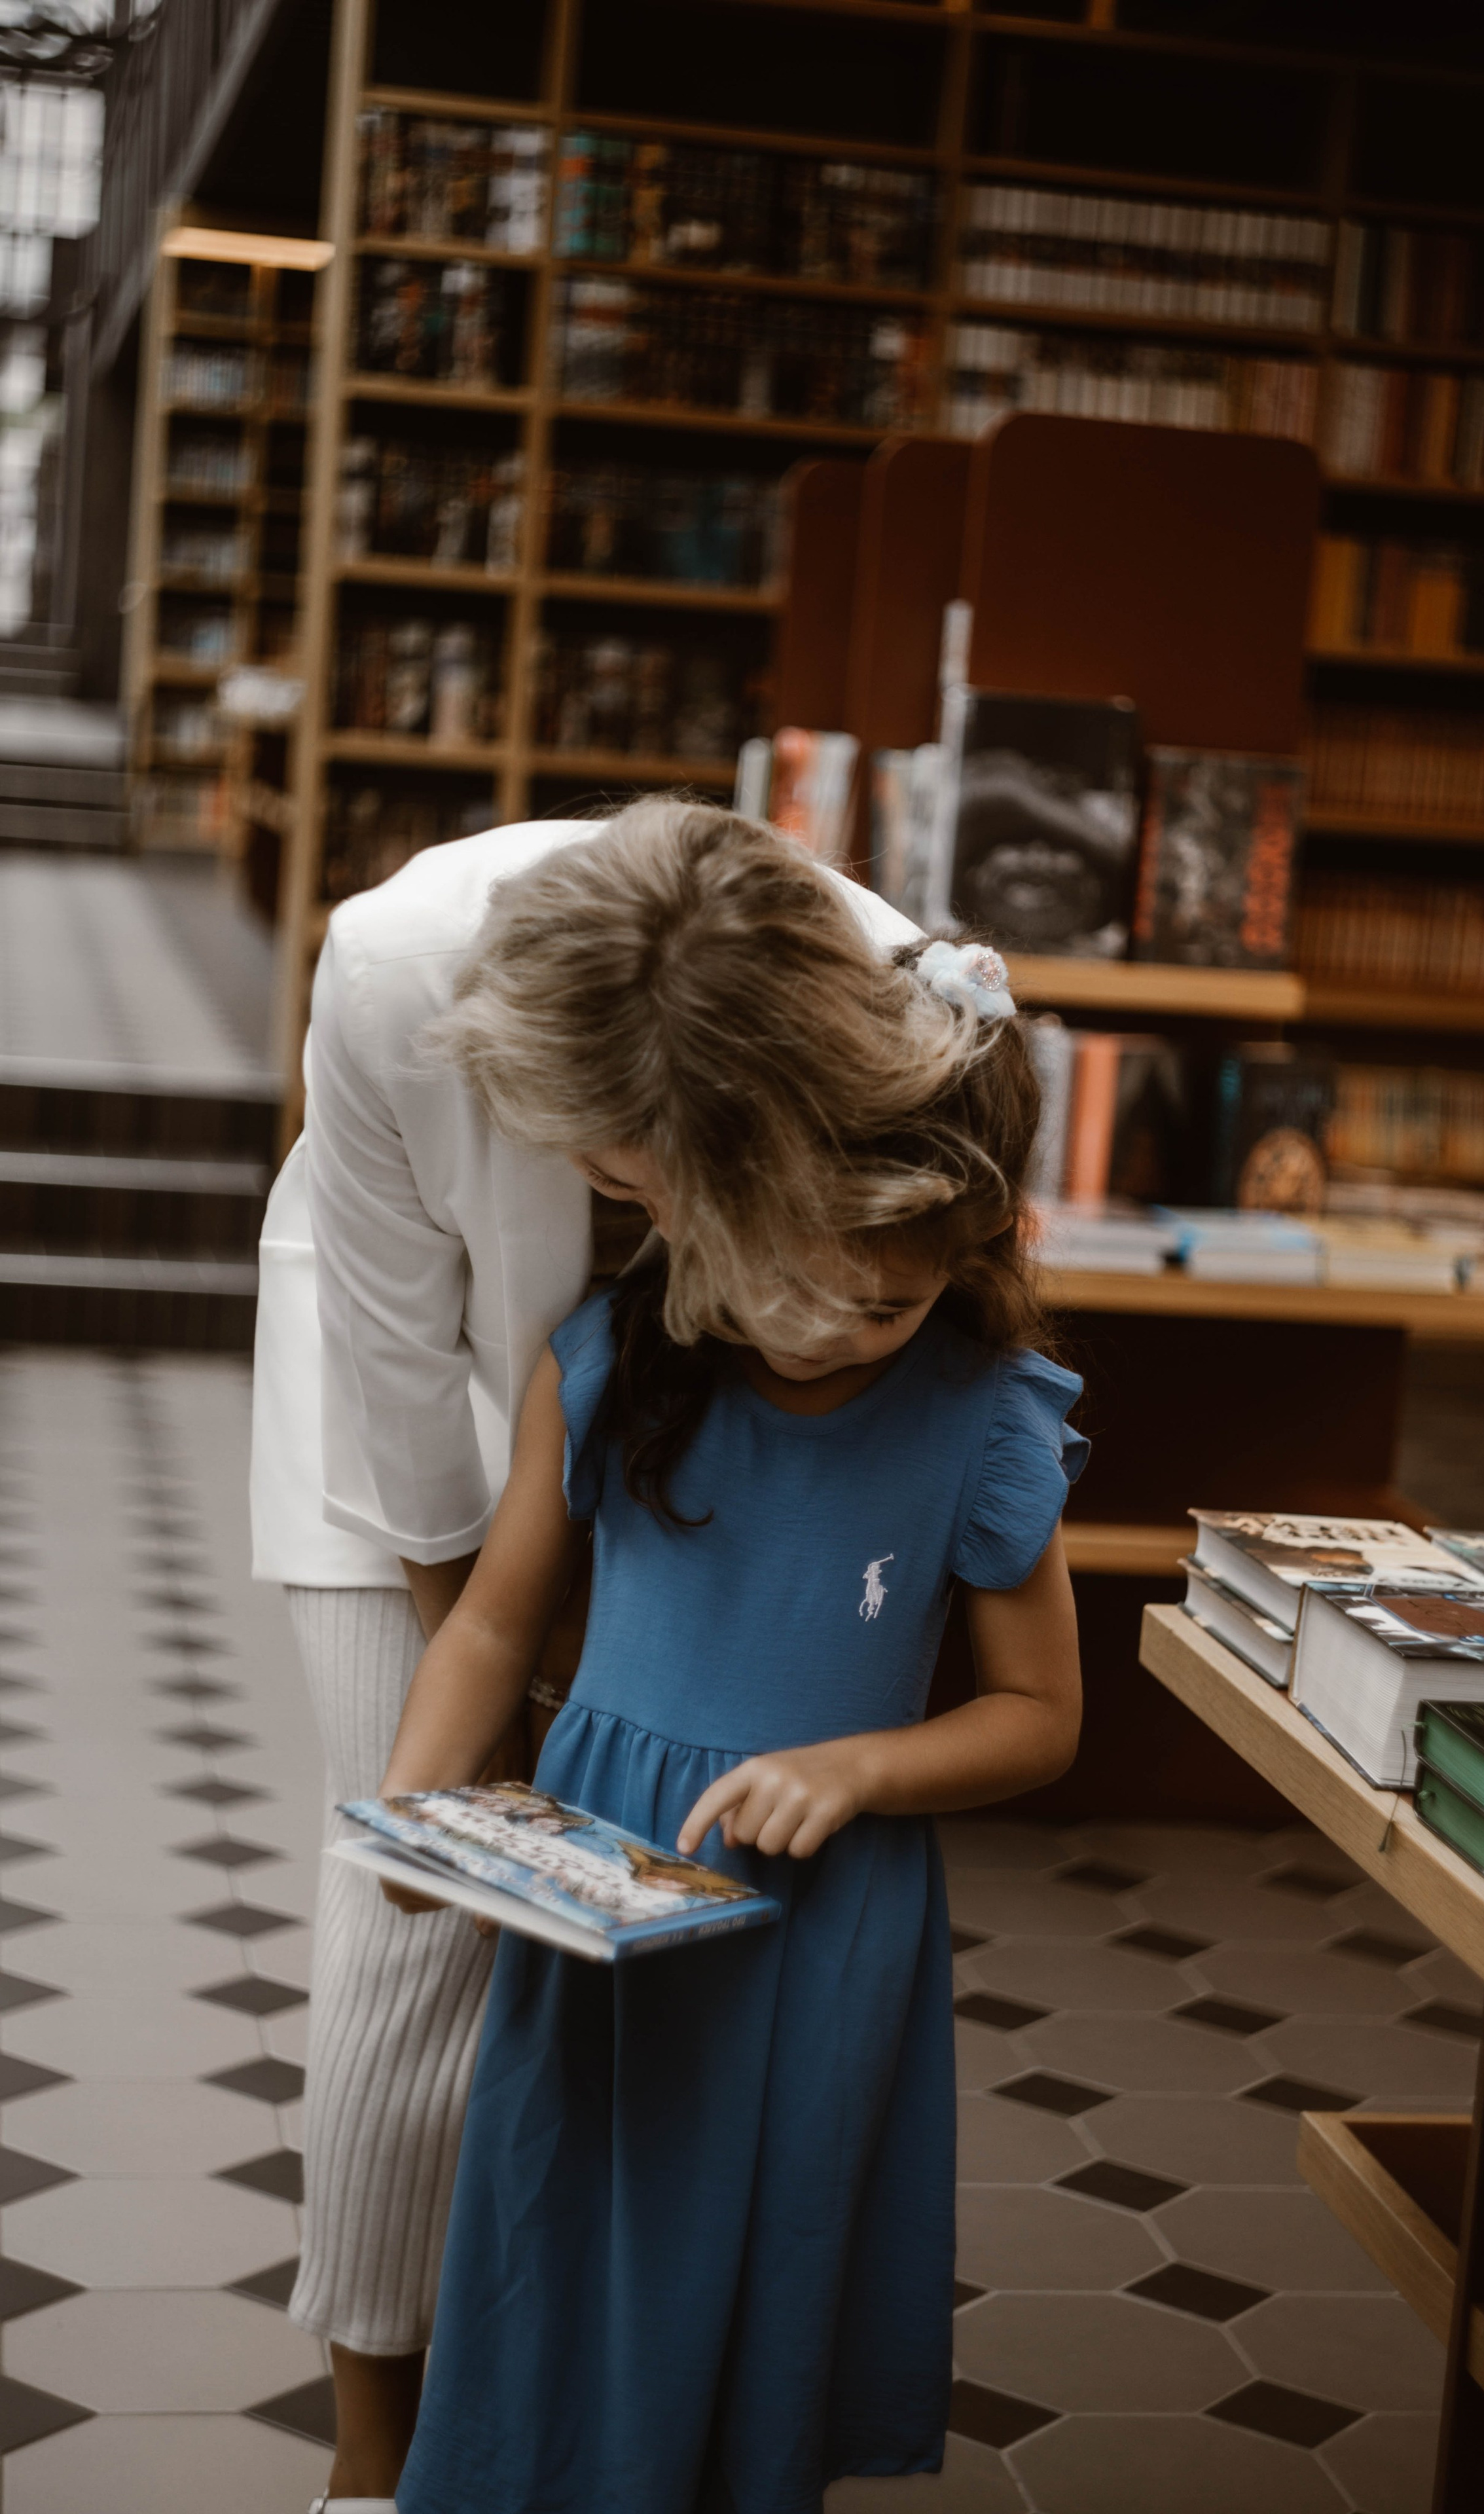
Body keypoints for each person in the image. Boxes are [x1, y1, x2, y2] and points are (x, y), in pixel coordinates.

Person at [376, 811, 1085, 2514]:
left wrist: (861, 1767)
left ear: (970, 1264)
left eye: (885, 1306)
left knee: (763, 2261)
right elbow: (491, 1619)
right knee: (567, 2217)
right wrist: (420, 1802)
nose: (826, 1330)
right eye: (791, 1286)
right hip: (607, 1883)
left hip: (816, 1922)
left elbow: (1041, 1717)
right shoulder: (615, 1358)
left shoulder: (983, 1424)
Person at [249, 801, 916, 2509]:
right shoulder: (391, 974)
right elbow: (408, 1406)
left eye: (669, 1153)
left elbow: (944, 1278)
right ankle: (373, 2460)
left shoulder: (889, 990)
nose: (641, 1191)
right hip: (417, 1384)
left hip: (725, 1404)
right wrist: (496, 1718)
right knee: (415, 1930)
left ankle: (607, 2402)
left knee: (662, 1948)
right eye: (615, 1157)